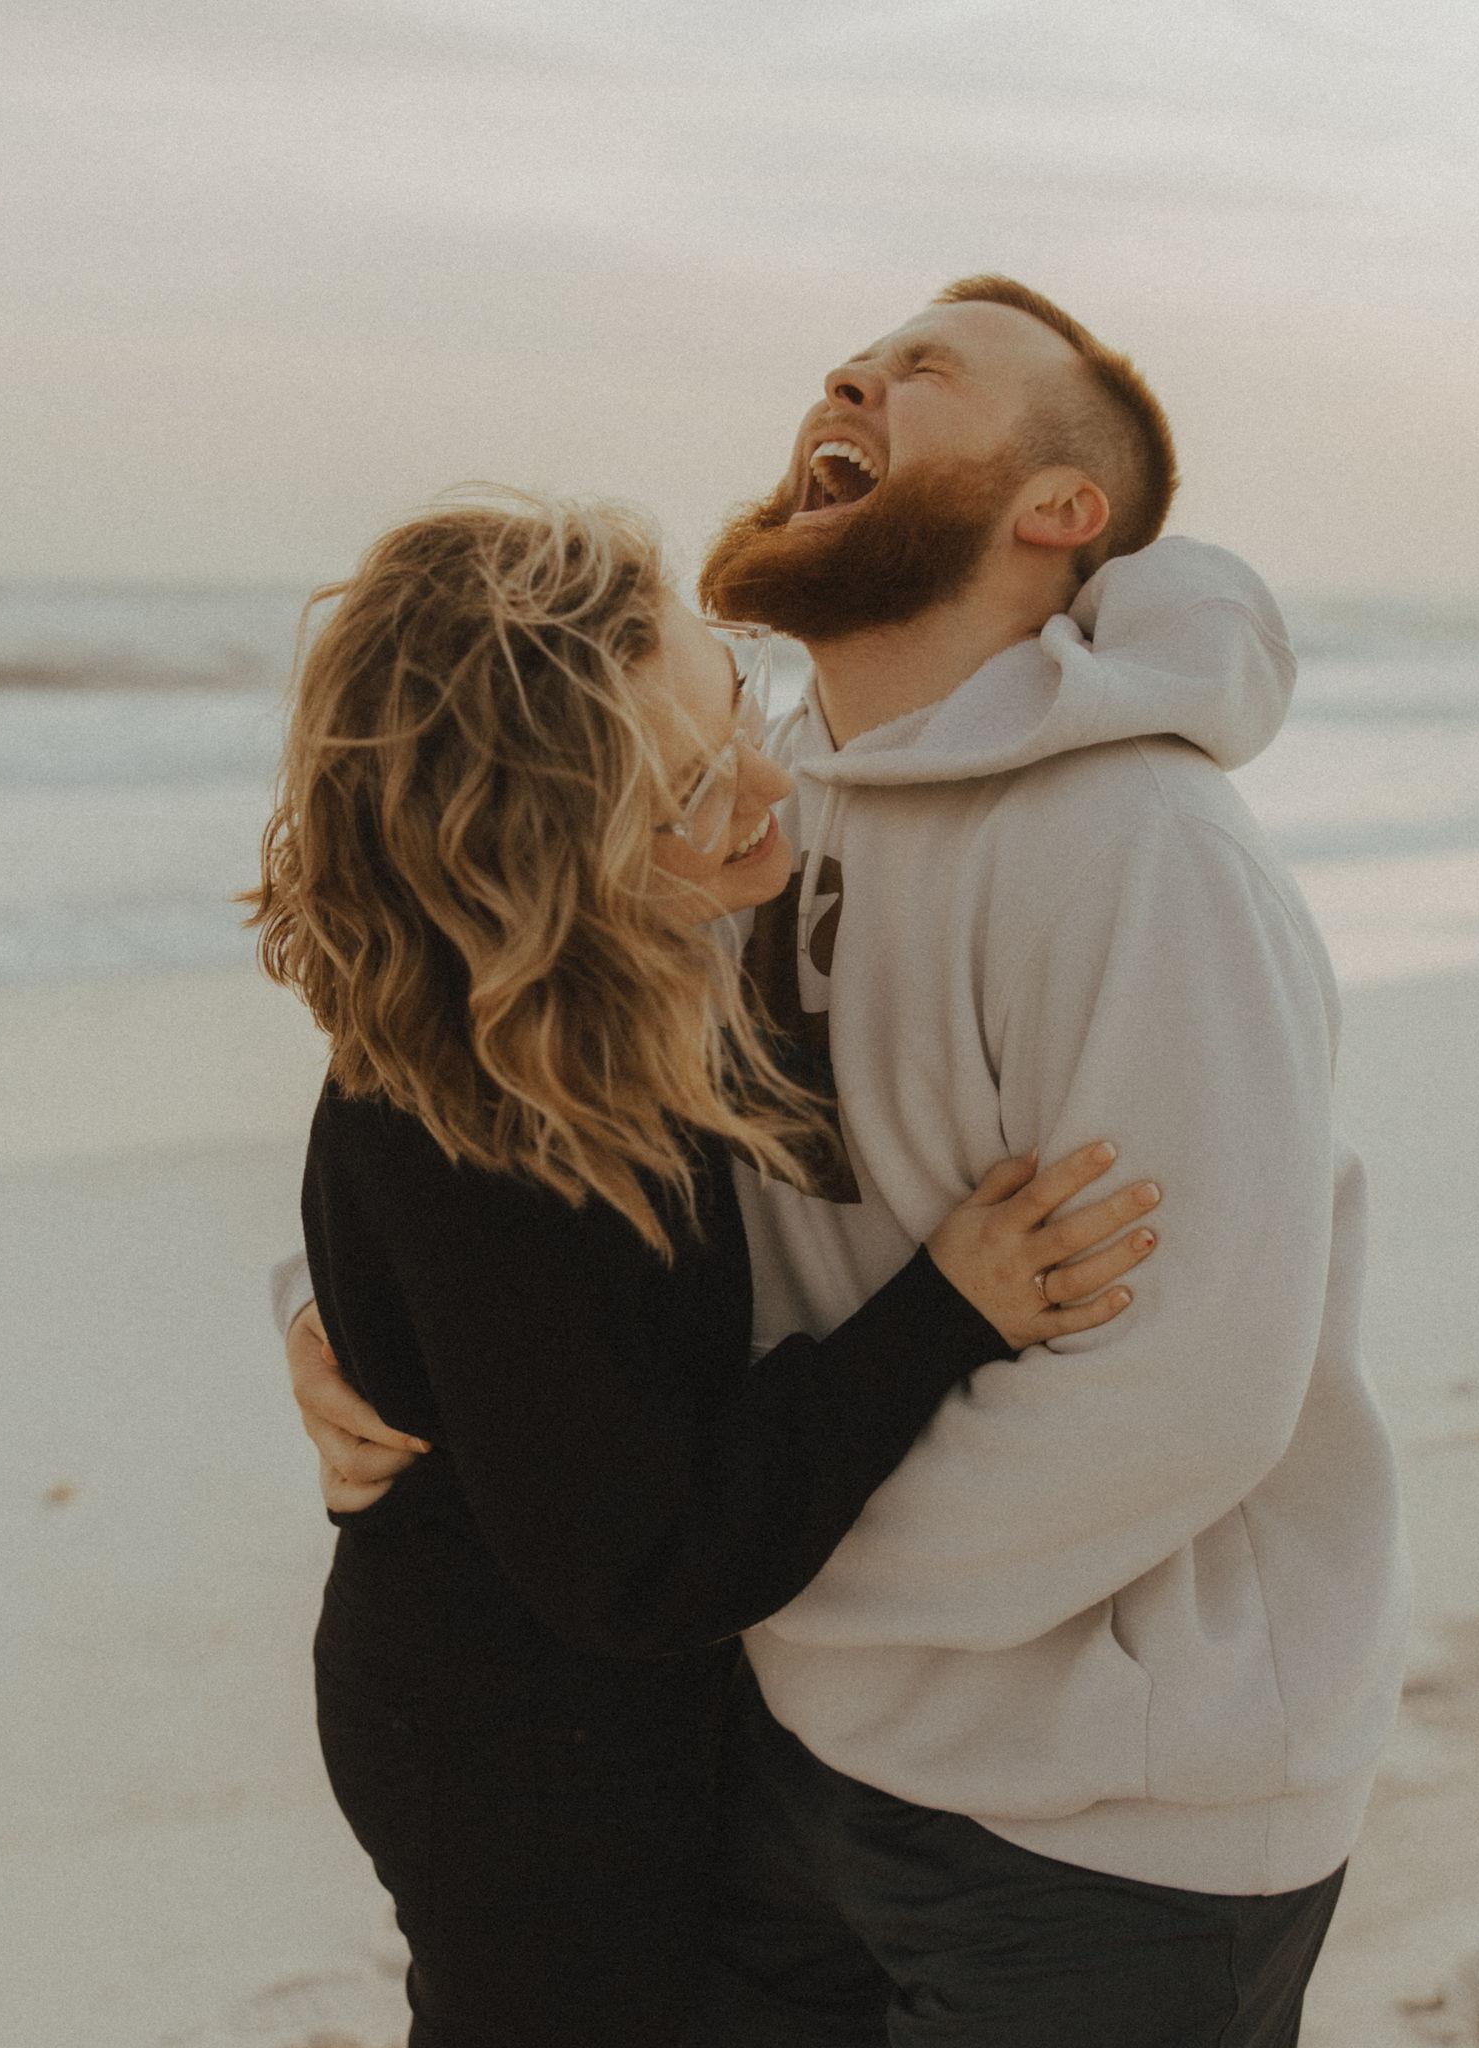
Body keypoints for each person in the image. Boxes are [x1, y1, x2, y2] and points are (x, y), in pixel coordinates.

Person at [283, 275, 1411, 2046]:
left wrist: (758, 1594)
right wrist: (348, 1323)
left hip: (1100, 1811)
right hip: (785, 1750)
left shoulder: (1140, 855)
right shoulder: (744, 794)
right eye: (852, 363)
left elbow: (1191, 1390)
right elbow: (506, 1077)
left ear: (1056, 512)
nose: (851, 377)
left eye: (923, 375)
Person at [243, 488, 1172, 2046]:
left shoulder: (594, 984)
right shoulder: (479, 1129)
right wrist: (945, 1311)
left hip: (597, 1705)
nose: (764, 779)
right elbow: (649, 1568)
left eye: (736, 696)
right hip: (519, 1756)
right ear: (536, 856)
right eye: (682, 788)